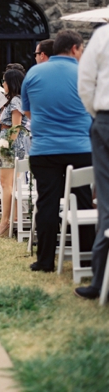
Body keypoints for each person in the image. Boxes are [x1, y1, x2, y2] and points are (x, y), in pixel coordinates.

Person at [22, 30, 94, 274]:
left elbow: (28, 113)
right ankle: (85, 259)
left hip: (44, 150)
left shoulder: (33, 73)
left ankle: (44, 261)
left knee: (47, 203)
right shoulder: (85, 72)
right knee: (83, 201)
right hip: (81, 148)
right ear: (74, 48)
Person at [77, 23, 109, 299]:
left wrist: (98, 115)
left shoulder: (103, 36)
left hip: (106, 119)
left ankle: (101, 282)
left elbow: (85, 83)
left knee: (107, 203)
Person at [0, 69, 30, 237]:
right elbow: (6, 124)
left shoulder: (16, 101)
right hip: (9, 143)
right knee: (10, 184)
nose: (2, 84)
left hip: (12, 146)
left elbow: (16, 128)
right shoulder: (13, 101)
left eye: (4, 81)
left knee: (6, 184)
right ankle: (13, 218)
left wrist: (5, 146)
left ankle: (5, 221)